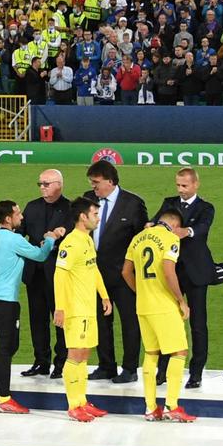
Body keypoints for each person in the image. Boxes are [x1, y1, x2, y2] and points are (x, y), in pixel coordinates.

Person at [0, 199, 57, 413]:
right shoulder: (14, 240)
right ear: (8, 218)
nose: (21, 217)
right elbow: (40, 256)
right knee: (6, 349)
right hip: (7, 302)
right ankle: (4, 398)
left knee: (10, 346)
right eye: (18, 213)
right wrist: (50, 239)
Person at [122, 210, 197, 422]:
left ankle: (150, 408)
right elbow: (168, 270)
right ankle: (172, 405)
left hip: (143, 306)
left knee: (151, 353)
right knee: (179, 352)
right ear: (173, 224)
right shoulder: (171, 238)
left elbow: (126, 272)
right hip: (163, 305)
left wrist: (140, 291)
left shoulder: (137, 238)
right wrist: (181, 300)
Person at [87, 159, 149, 386]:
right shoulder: (88, 200)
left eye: (96, 182)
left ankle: (130, 368)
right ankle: (106, 365)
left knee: (129, 321)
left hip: (123, 276)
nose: (93, 187)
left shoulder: (133, 204)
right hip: (95, 275)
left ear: (110, 181)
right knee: (101, 322)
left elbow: (141, 241)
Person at [155, 167, 216, 389]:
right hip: (170, 272)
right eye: (178, 185)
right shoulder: (169, 202)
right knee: (167, 321)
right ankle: (162, 371)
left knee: (198, 323)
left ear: (195, 185)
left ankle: (197, 371)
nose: (180, 190)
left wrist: (186, 231)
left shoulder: (206, 207)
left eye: (185, 185)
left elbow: (202, 228)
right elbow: (156, 222)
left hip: (196, 271)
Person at [54, 196, 113, 422]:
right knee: (76, 354)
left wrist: (104, 295)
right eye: (95, 214)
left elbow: (93, 268)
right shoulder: (71, 243)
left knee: (85, 354)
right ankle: (73, 404)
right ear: (83, 216)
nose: (98, 218)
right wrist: (60, 308)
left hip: (89, 307)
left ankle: (82, 401)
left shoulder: (87, 240)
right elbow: (59, 275)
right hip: (75, 309)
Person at [20, 169, 71, 378]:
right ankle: (41, 361)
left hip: (59, 274)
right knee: (37, 319)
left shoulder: (71, 209)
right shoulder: (32, 207)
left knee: (60, 319)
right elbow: (19, 231)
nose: (42, 187)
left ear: (59, 184)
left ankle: (62, 363)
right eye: (40, 183)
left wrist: (58, 239)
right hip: (35, 273)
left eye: (46, 183)